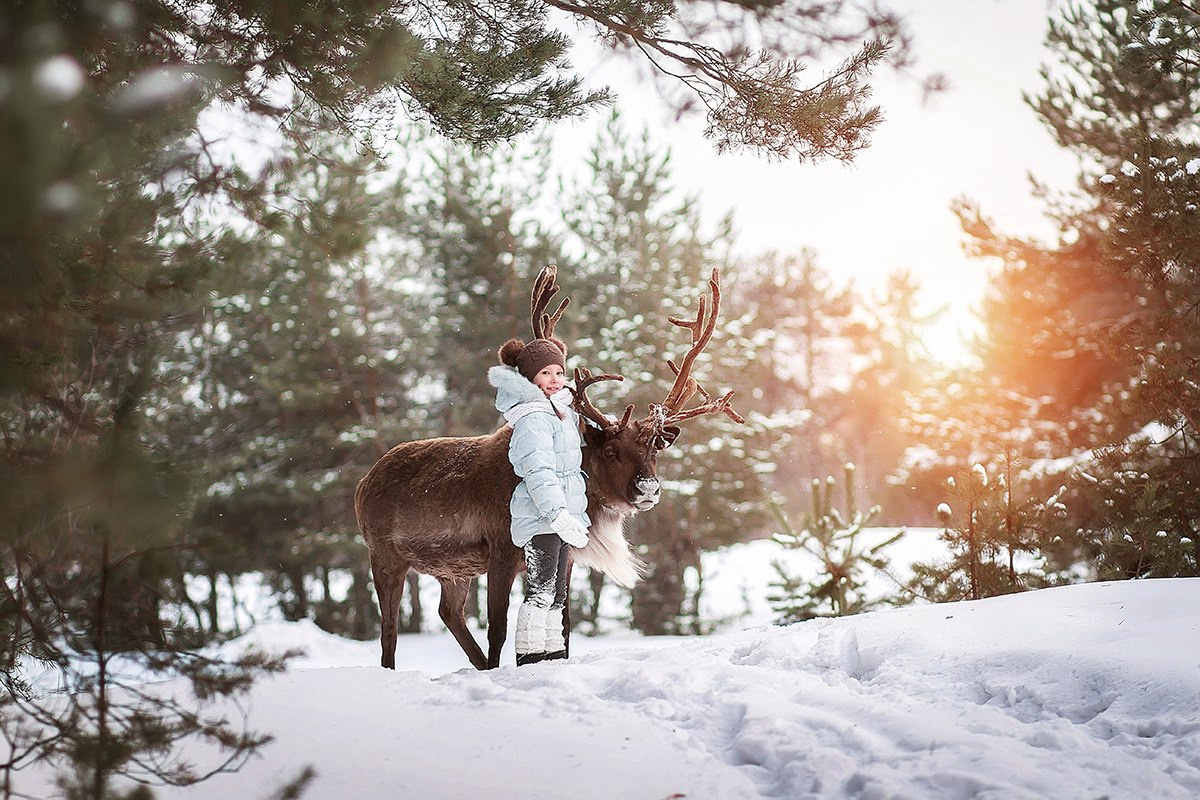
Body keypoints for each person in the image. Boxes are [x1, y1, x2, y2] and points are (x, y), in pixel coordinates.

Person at [488, 336, 591, 666]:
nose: (554, 379)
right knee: (541, 592)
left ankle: (553, 653)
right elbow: (539, 472)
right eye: (545, 373)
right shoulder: (533, 418)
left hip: (563, 516)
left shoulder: (560, 412)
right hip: (542, 518)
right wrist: (557, 514)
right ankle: (531, 656)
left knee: (557, 596)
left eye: (558, 372)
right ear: (529, 378)